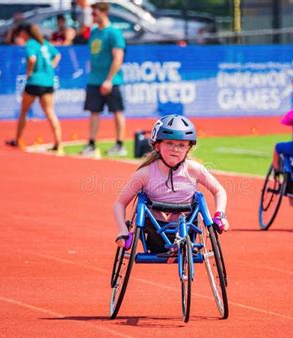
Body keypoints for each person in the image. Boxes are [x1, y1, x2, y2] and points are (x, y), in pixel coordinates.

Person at [113, 115, 229, 252]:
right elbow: (119, 203)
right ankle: (174, 249)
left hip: (187, 228)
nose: (175, 149)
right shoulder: (145, 174)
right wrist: (123, 232)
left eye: (181, 145)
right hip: (155, 232)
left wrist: (220, 215)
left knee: (199, 202)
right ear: (157, 146)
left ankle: (182, 247)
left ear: (188, 149)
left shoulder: (194, 170)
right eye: (169, 143)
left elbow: (219, 191)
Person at [5, 23, 63, 154]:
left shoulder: (31, 44)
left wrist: (29, 72)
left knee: (24, 111)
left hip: (34, 82)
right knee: (50, 112)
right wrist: (51, 67)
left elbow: (32, 59)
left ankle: (18, 139)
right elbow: (58, 55)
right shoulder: (45, 43)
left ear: (26, 33)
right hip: (48, 82)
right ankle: (58, 142)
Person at [82, 1, 127, 157]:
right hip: (94, 79)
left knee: (117, 112)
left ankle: (120, 145)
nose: (92, 16)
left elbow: (118, 58)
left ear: (104, 13)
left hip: (111, 81)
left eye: (94, 13)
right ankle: (91, 144)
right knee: (94, 112)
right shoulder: (94, 32)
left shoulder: (114, 33)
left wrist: (109, 79)